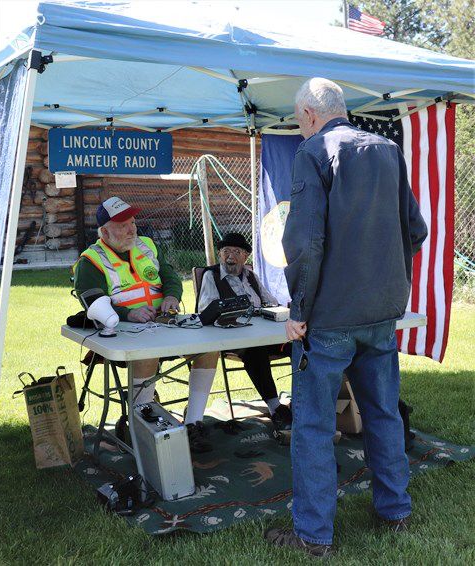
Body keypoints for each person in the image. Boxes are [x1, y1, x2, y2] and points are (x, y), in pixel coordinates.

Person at [264, 78, 427, 557]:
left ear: (311, 115)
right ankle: (394, 511)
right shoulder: (386, 149)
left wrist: (298, 310)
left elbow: (305, 242)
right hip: (381, 311)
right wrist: (392, 282)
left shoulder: (312, 152)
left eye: (298, 121)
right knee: (382, 413)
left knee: (313, 425)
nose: (299, 129)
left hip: (330, 317)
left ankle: (313, 534)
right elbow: (414, 229)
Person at [73, 196, 218, 453]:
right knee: (146, 356)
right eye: (123, 225)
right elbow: (92, 304)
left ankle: (194, 423)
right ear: (104, 231)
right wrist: (129, 313)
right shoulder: (90, 261)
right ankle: (142, 428)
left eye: (133, 222)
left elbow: (170, 275)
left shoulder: (147, 245)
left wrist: (173, 295)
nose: (132, 229)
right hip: (125, 333)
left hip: (167, 324)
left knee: (208, 349)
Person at [192, 232, 292, 445]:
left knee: (298, 345)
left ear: (245, 256)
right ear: (219, 254)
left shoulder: (251, 277)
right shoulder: (212, 276)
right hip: (234, 340)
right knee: (255, 351)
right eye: (226, 251)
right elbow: (205, 312)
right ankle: (276, 408)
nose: (231, 256)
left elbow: (272, 303)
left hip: (264, 335)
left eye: (237, 252)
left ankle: (304, 402)